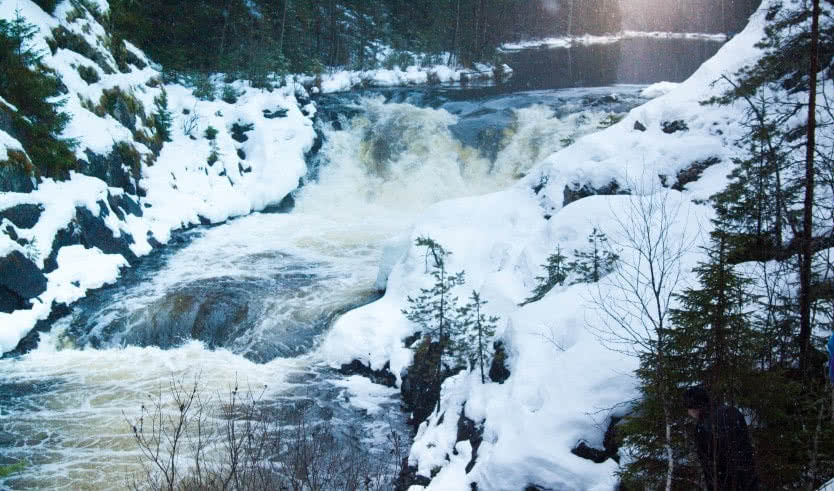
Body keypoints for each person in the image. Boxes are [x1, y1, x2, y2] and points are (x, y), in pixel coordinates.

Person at [683, 387, 759, 490]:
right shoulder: (732, 412)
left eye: (688, 408)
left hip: (725, 482)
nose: (688, 413)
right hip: (748, 478)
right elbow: (746, 447)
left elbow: (709, 466)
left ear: (694, 407)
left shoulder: (702, 428)